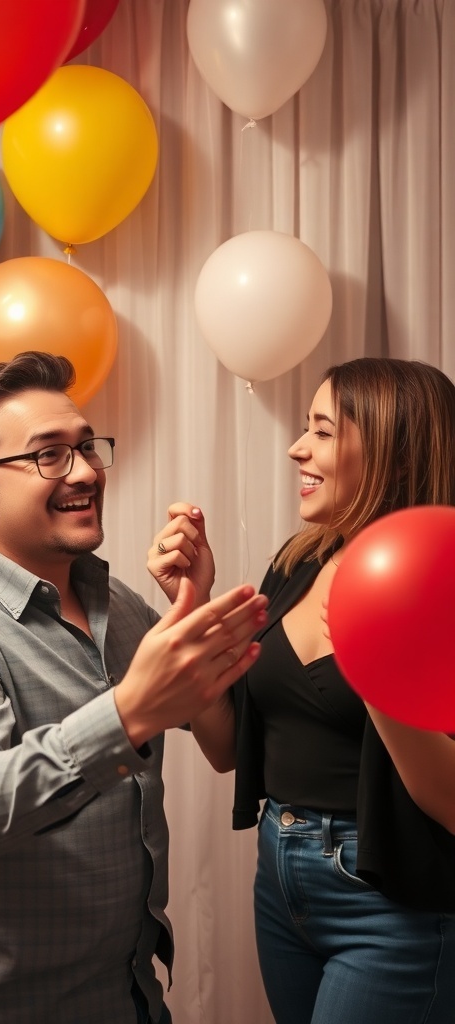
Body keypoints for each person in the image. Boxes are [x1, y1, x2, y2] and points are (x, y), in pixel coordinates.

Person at [0, 350, 268, 1024]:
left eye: (87, 447)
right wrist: (125, 714)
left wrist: (190, 605)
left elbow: (225, 747)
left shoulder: (112, 600)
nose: (87, 470)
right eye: (50, 455)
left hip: (130, 996)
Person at [149, 357, 455, 1024]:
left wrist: (377, 664)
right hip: (282, 879)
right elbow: (229, 749)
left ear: (395, 457)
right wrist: (192, 606)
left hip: (394, 900)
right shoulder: (297, 562)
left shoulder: (443, 580)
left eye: (322, 430)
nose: (296, 448)